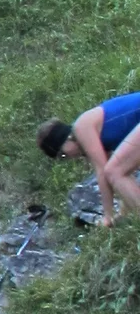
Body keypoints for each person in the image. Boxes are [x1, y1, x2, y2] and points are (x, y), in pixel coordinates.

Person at [35, 91, 140, 223]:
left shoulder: (81, 128)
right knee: (119, 170)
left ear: (67, 139)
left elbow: (104, 173)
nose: (69, 158)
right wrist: (123, 211)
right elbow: (124, 174)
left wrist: (108, 216)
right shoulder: (92, 138)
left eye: (63, 155)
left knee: (114, 171)